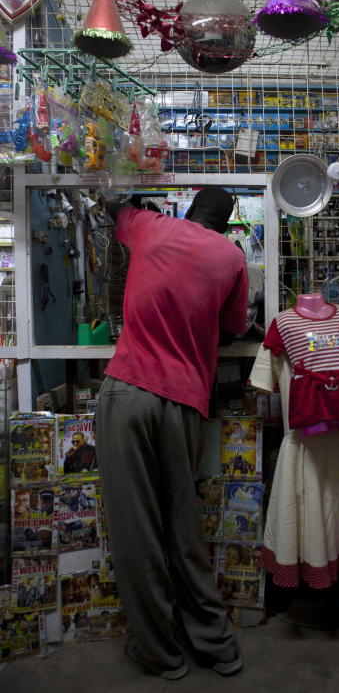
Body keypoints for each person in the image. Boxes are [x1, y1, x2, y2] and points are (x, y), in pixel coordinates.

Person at [96, 187, 248, 680]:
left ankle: (161, 653)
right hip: (185, 398)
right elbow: (231, 328)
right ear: (227, 223)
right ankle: (218, 645)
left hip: (128, 392)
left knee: (135, 530)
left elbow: (112, 206)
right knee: (184, 526)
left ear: (188, 209)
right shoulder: (232, 257)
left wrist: (134, 202)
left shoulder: (149, 227)